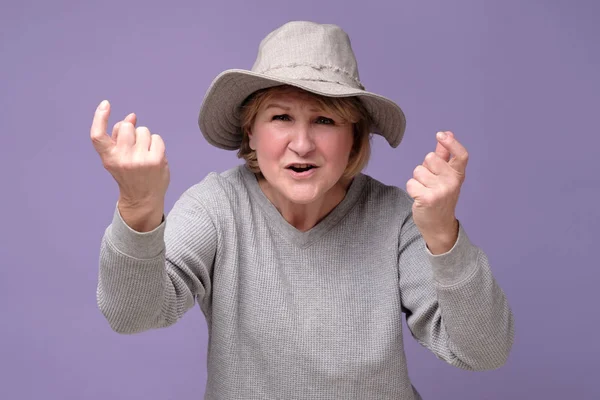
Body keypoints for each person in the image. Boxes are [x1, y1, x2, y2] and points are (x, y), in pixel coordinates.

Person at [90, 21, 514, 400]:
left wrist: (443, 235)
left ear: (354, 137)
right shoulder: (217, 206)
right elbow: (131, 314)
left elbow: (484, 352)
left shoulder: (395, 216)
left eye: (325, 120)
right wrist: (139, 208)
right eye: (281, 117)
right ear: (251, 132)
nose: (303, 143)